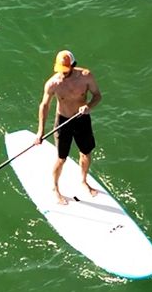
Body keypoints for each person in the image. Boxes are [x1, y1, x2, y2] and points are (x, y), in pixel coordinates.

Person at [36, 49, 102, 205]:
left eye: (65, 70)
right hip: (63, 121)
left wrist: (88, 106)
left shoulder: (86, 77)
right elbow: (44, 105)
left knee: (86, 153)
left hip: (82, 119)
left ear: (73, 66)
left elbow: (98, 96)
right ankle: (55, 188)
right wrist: (40, 131)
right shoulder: (53, 83)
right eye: (60, 70)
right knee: (61, 158)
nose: (62, 74)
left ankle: (84, 181)